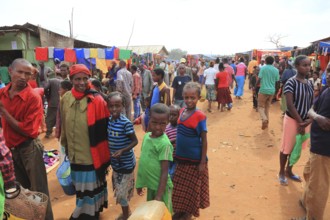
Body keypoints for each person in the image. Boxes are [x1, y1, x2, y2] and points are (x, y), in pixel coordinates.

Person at [0, 58, 54, 220]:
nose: (23, 76)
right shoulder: (2, 94)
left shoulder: (32, 97)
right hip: (10, 150)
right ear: (10, 71)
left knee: (39, 192)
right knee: (20, 192)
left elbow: (28, 130)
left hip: (29, 148)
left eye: (27, 74)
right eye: (20, 72)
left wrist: (4, 112)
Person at [60, 64, 110, 219]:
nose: (81, 82)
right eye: (77, 79)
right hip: (74, 151)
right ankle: (86, 211)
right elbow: (63, 122)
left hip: (91, 153)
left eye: (85, 78)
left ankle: (87, 213)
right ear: (71, 79)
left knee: (90, 184)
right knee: (80, 185)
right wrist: (65, 145)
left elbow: (104, 130)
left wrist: (104, 157)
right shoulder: (66, 98)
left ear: (89, 78)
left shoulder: (97, 100)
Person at [172, 82, 209, 220]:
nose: (189, 100)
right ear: (182, 97)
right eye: (186, 97)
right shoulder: (181, 111)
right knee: (180, 189)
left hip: (194, 161)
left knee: (191, 191)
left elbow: (204, 140)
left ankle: (187, 214)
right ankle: (180, 211)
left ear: (198, 97)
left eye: (192, 97)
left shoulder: (200, 116)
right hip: (181, 159)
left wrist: (202, 163)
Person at [299, 70, 330, 220]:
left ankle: (312, 217)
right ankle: (306, 201)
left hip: (324, 149)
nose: (329, 75)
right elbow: (311, 109)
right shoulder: (326, 90)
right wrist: (317, 117)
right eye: (329, 71)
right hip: (316, 144)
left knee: (318, 187)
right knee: (308, 174)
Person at [278, 55, 314, 186]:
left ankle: (289, 170)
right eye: (304, 65)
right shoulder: (291, 82)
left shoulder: (310, 83)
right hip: (293, 121)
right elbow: (290, 104)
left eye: (308, 65)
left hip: (305, 122)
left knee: (296, 148)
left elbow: (311, 103)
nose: (307, 67)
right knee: (286, 147)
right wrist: (300, 122)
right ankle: (281, 172)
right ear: (297, 66)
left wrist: (308, 121)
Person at [136, 103, 174, 213]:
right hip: (151, 186)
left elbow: (164, 172)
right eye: (154, 122)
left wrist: (158, 197)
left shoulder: (165, 144)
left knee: (162, 213)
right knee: (151, 213)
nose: (158, 127)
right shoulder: (147, 137)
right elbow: (144, 162)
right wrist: (140, 183)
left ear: (167, 123)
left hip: (161, 189)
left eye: (162, 124)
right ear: (149, 120)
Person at [107, 92, 138, 220]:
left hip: (126, 163)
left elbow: (135, 141)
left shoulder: (125, 123)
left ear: (123, 106)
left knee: (121, 193)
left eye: (117, 106)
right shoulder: (108, 121)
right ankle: (127, 211)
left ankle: (126, 215)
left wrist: (122, 150)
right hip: (116, 164)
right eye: (111, 106)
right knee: (120, 189)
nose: (114, 109)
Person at [257, 56, 280, 130]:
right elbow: (277, 82)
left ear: (265, 61)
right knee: (267, 107)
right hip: (271, 91)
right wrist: (276, 91)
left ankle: (264, 119)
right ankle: (266, 124)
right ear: (273, 62)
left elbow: (259, 79)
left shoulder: (263, 68)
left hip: (263, 90)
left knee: (260, 107)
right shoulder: (276, 70)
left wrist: (255, 87)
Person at [44, 71, 63, 138]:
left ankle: (48, 132)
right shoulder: (64, 82)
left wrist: (48, 96)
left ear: (56, 74)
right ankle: (60, 134)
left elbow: (45, 88)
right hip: (62, 103)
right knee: (60, 118)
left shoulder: (51, 80)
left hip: (52, 102)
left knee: (50, 118)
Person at [165, 105, 180, 179]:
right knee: (168, 172)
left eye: (174, 115)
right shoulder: (167, 128)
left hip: (178, 156)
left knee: (173, 173)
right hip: (169, 156)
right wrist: (175, 140)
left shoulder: (181, 127)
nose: (171, 117)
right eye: (170, 115)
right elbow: (165, 142)